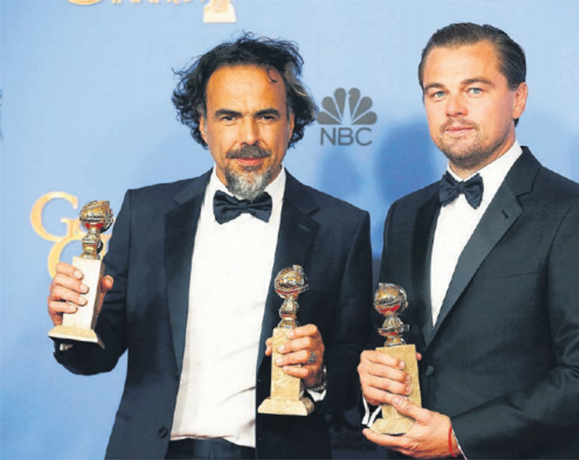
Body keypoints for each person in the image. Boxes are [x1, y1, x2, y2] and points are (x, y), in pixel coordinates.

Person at [47, 34, 373, 460]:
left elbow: (356, 364)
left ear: (291, 123)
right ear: (203, 124)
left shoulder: (342, 226)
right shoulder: (146, 213)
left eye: (267, 116)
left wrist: (321, 372)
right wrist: (73, 326)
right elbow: (93, 359)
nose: (249, 136)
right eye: (229, 117)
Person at [358, 22, 579, 460]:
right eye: (438, 92)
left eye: (475, 90)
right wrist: (373, 376)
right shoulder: (405, 214)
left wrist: (459, 436)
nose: (454, 109)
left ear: (518, 98)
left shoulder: (575, 212)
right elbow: (401, 342)